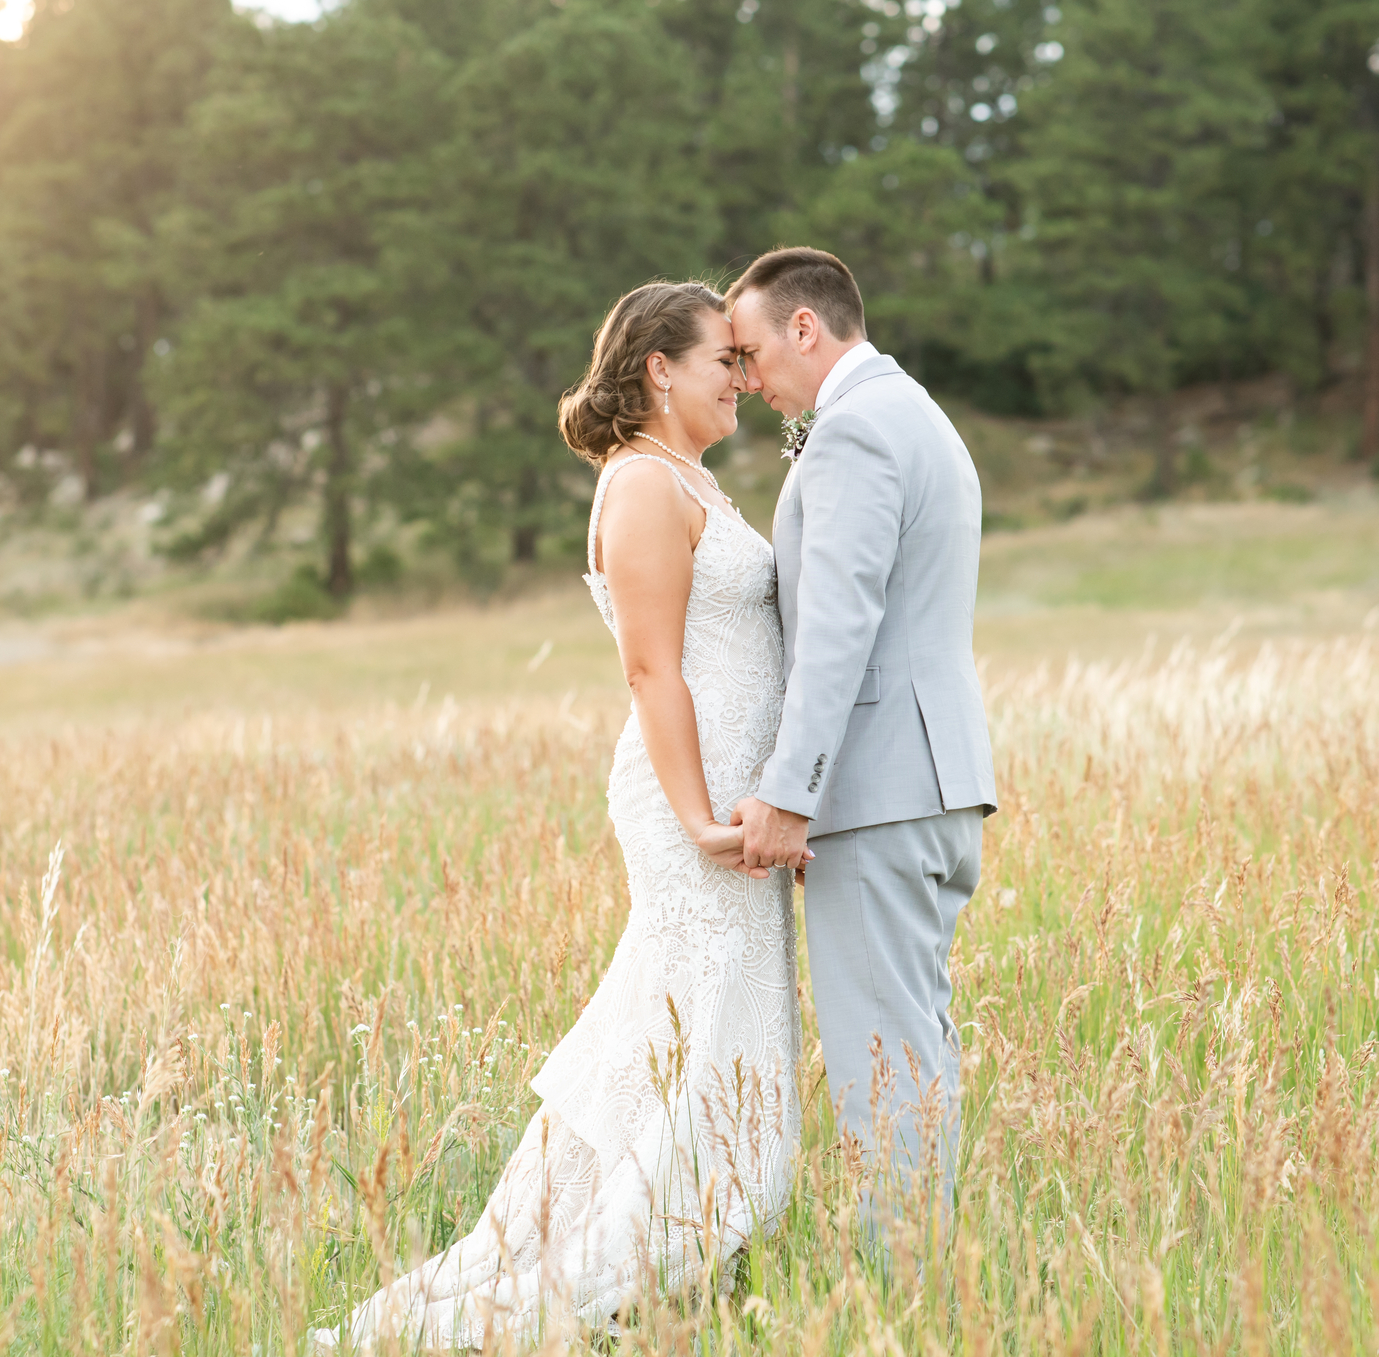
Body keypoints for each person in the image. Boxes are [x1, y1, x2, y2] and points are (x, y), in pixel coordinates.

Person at [315, 281, 802, 1349]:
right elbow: (648, 666)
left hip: (725, 792)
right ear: (658, 369)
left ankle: (657, 1235)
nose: (741, 376)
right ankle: (613, 1263)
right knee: (691, 1018)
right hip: (690, 796)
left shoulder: (691, 479)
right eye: (722, 358)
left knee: (685, 1023)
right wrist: (695, 817)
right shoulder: (638, 482)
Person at [725, 246, 997, 1239]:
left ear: (805, 327)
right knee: (912, 1051)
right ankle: (927, 1282)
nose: (748, 380)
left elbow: (838, 626)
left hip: (879, 793)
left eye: (750, 352)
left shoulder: (852, 434)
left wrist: (790, 790)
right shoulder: (910, 412)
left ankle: (904, 1297)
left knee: (879, 1061)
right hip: (931, 784)